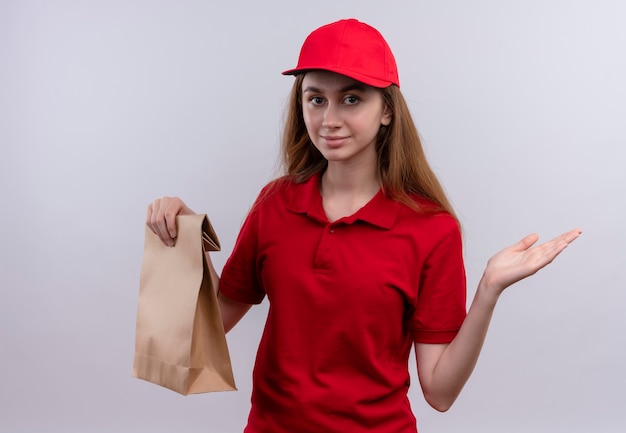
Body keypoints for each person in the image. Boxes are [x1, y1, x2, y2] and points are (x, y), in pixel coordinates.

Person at [146, 18, 581, 433]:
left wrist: (489, 290)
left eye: (352, 99)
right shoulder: (274, 203)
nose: (329, 119)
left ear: (387, 110)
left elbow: (440, 392)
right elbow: (211, 326)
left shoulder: (431, 229)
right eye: (316, 99)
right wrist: (184, 241)